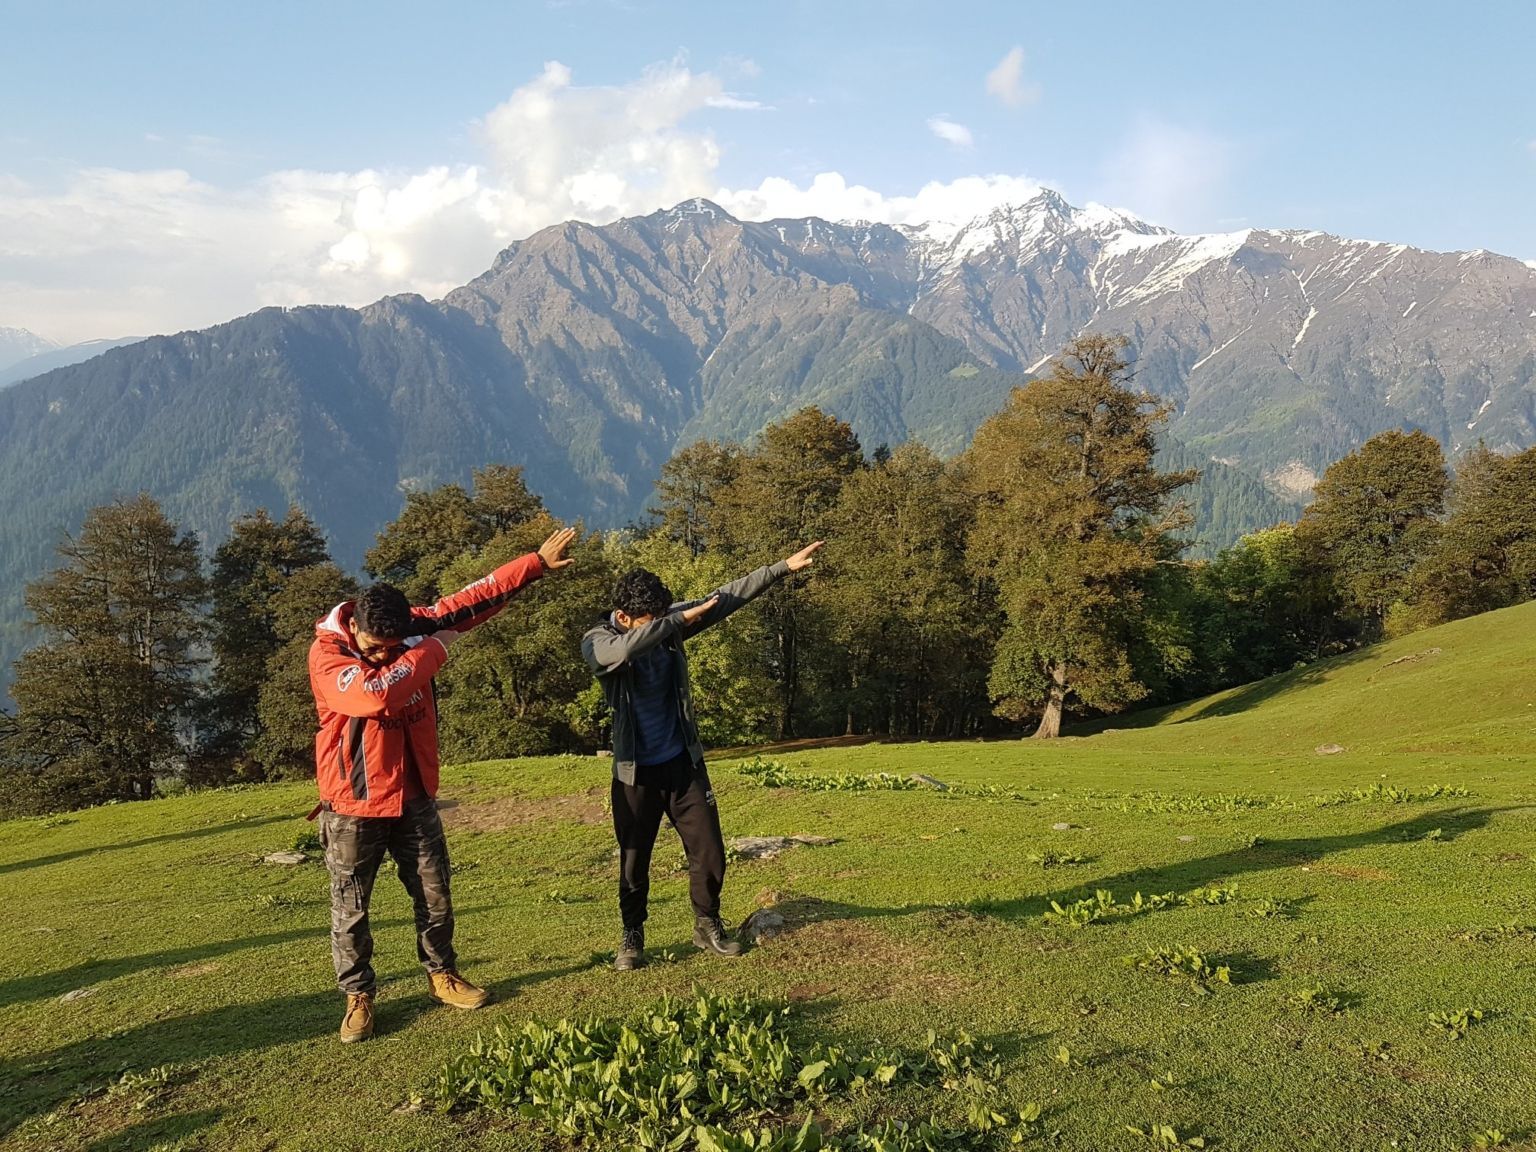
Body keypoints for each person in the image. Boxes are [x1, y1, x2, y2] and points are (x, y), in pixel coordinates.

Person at [307, 526, 577, 1042]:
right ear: (356, 627)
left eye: (394, 645)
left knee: (435, 894)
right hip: (353, 803)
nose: (385, 654)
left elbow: (469, 601)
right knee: (351, 906)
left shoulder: (413, 630)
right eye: (376, 646)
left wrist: (534, 565)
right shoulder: (327, 656)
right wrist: (433, 650)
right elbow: (374, 696)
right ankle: (358, 995)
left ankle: (441, 975)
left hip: (413, 794)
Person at [581, 541, 824, 971]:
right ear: (623, 618)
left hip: (682, 764)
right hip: (634, 774)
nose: (658, 629)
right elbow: (615, 653)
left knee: (709, 851)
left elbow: (724, 597)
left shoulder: (669, 626)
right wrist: (672, 621)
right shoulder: (598, 640)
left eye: (662, 619)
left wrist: (781, 568)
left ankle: (706, 924)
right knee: (634, 860)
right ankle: (632, 935)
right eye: (648, 622)